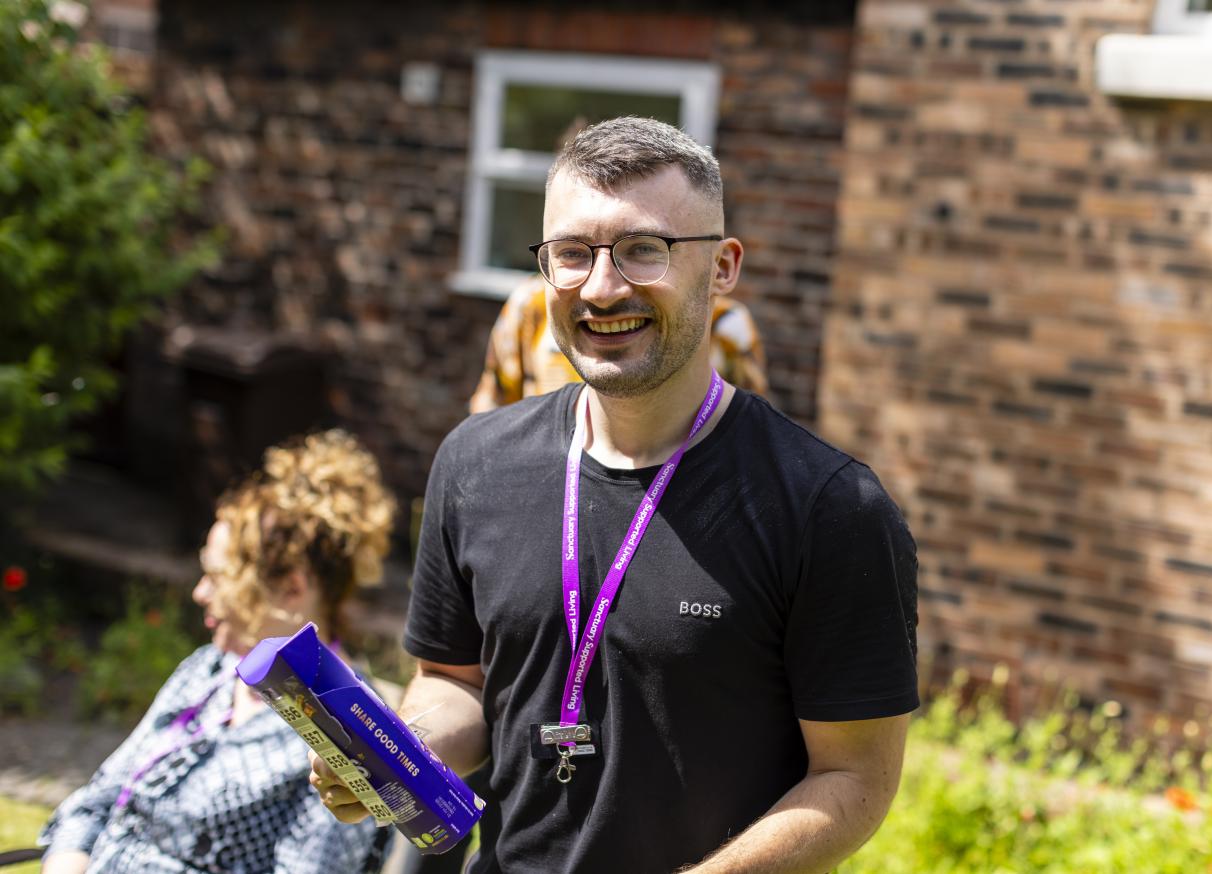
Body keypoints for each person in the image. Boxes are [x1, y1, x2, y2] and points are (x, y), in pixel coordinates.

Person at [313, 116, 919, 873]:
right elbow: (455, 682)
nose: (601, 288)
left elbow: (856, 778)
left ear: (723, 268)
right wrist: (403, 753)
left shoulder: (829, 508)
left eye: (644, 249)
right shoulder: (475, 461)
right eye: (571, 253)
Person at [40, 430, 397, 874]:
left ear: (292, 587)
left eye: (218, 576)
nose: (199, 592)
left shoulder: (343, 724)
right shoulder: (208, 671)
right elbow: (93, 805)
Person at [468, 275, 769, 413]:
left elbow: (749, 429)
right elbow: (493, 406)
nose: (602, 291)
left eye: (643, 247)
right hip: (551, 491)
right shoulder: (532, 305)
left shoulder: (725, 324)